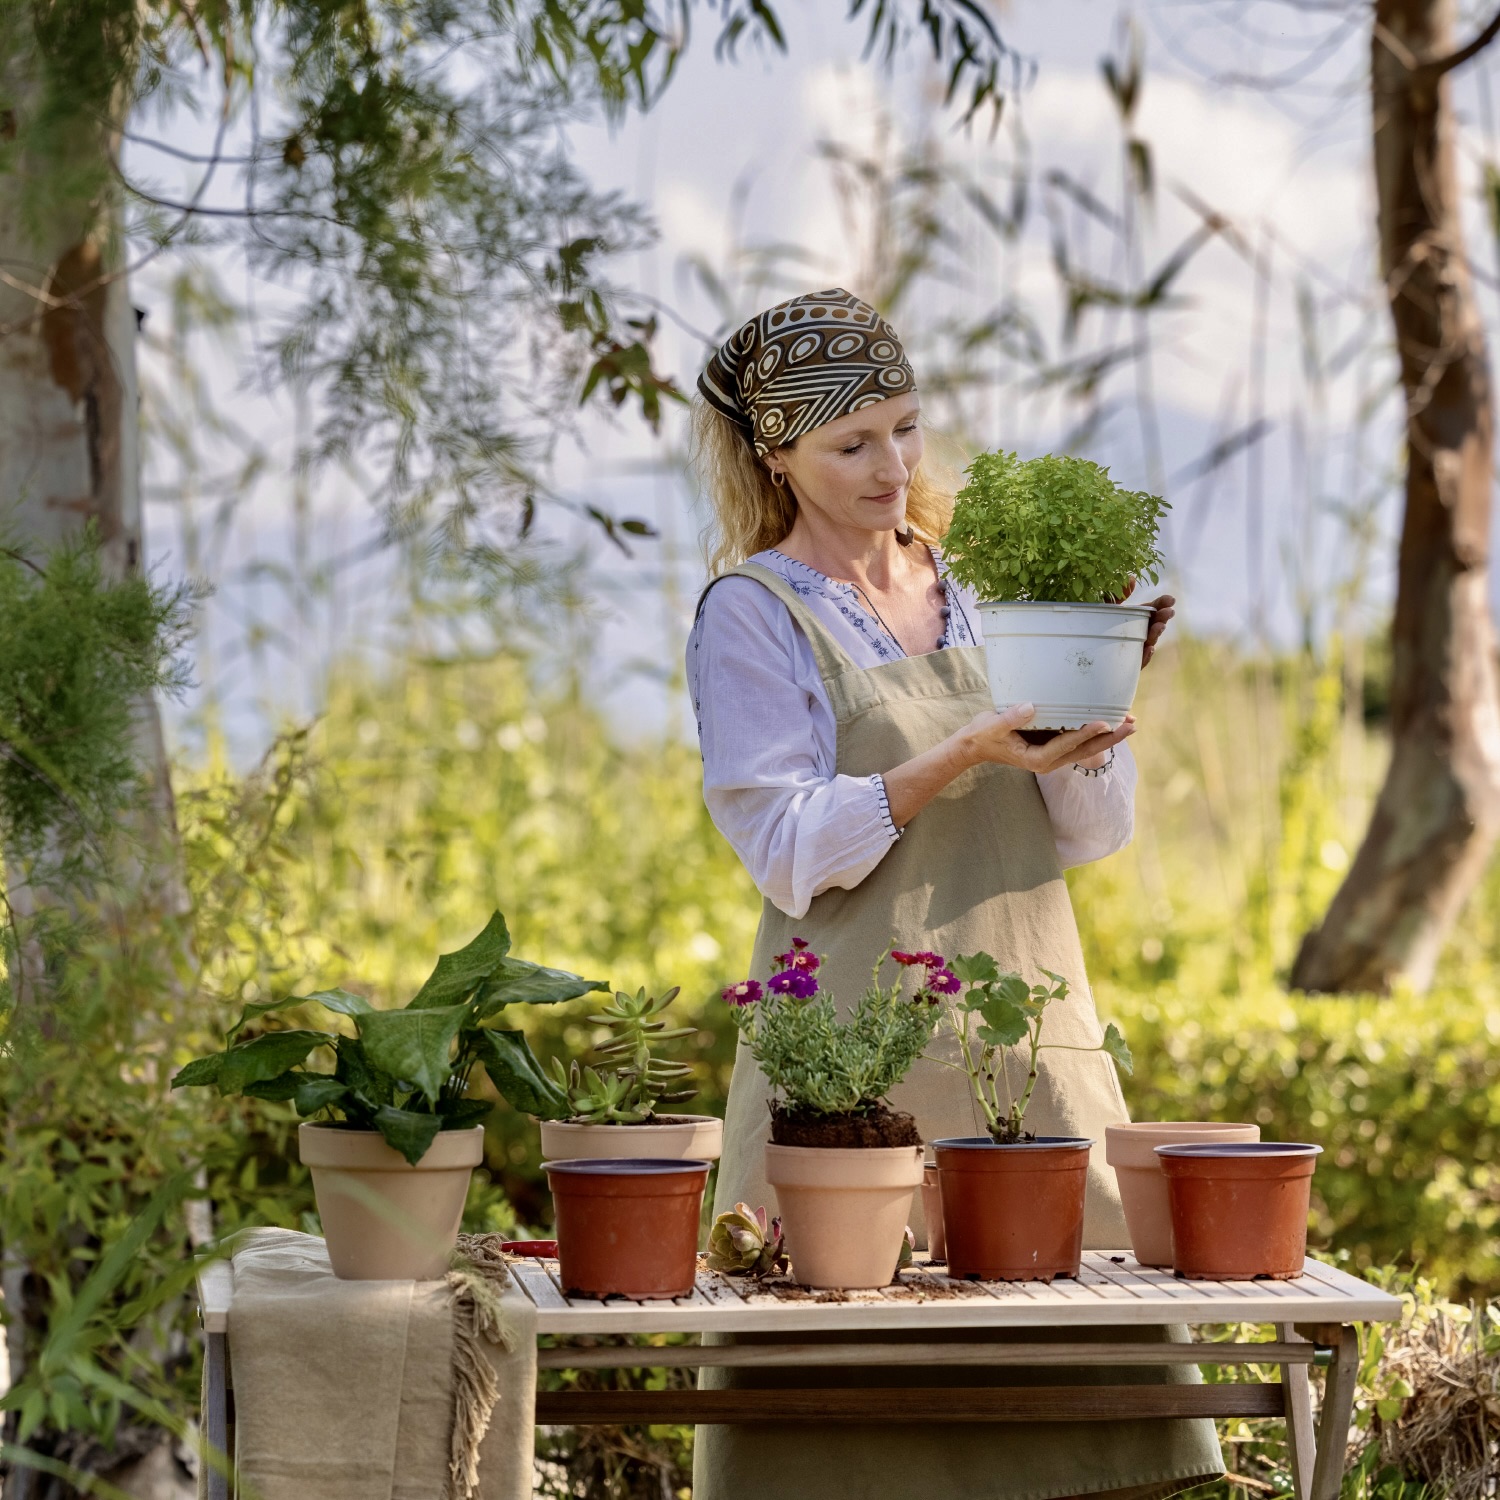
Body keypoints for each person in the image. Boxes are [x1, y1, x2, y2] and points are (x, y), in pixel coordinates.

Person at [685, 288, 1223, 1500]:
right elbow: (784, 848)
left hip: (1028, 1038)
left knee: (1086, 1408)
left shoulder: (984, 584)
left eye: (906, 429)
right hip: (848, 1081)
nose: (894, 467)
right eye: (851, 443)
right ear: (776, 454)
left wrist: (1093, 719)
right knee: (845, 1429)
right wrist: (963, 754)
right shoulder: (754, 614)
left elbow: (1091, 834)